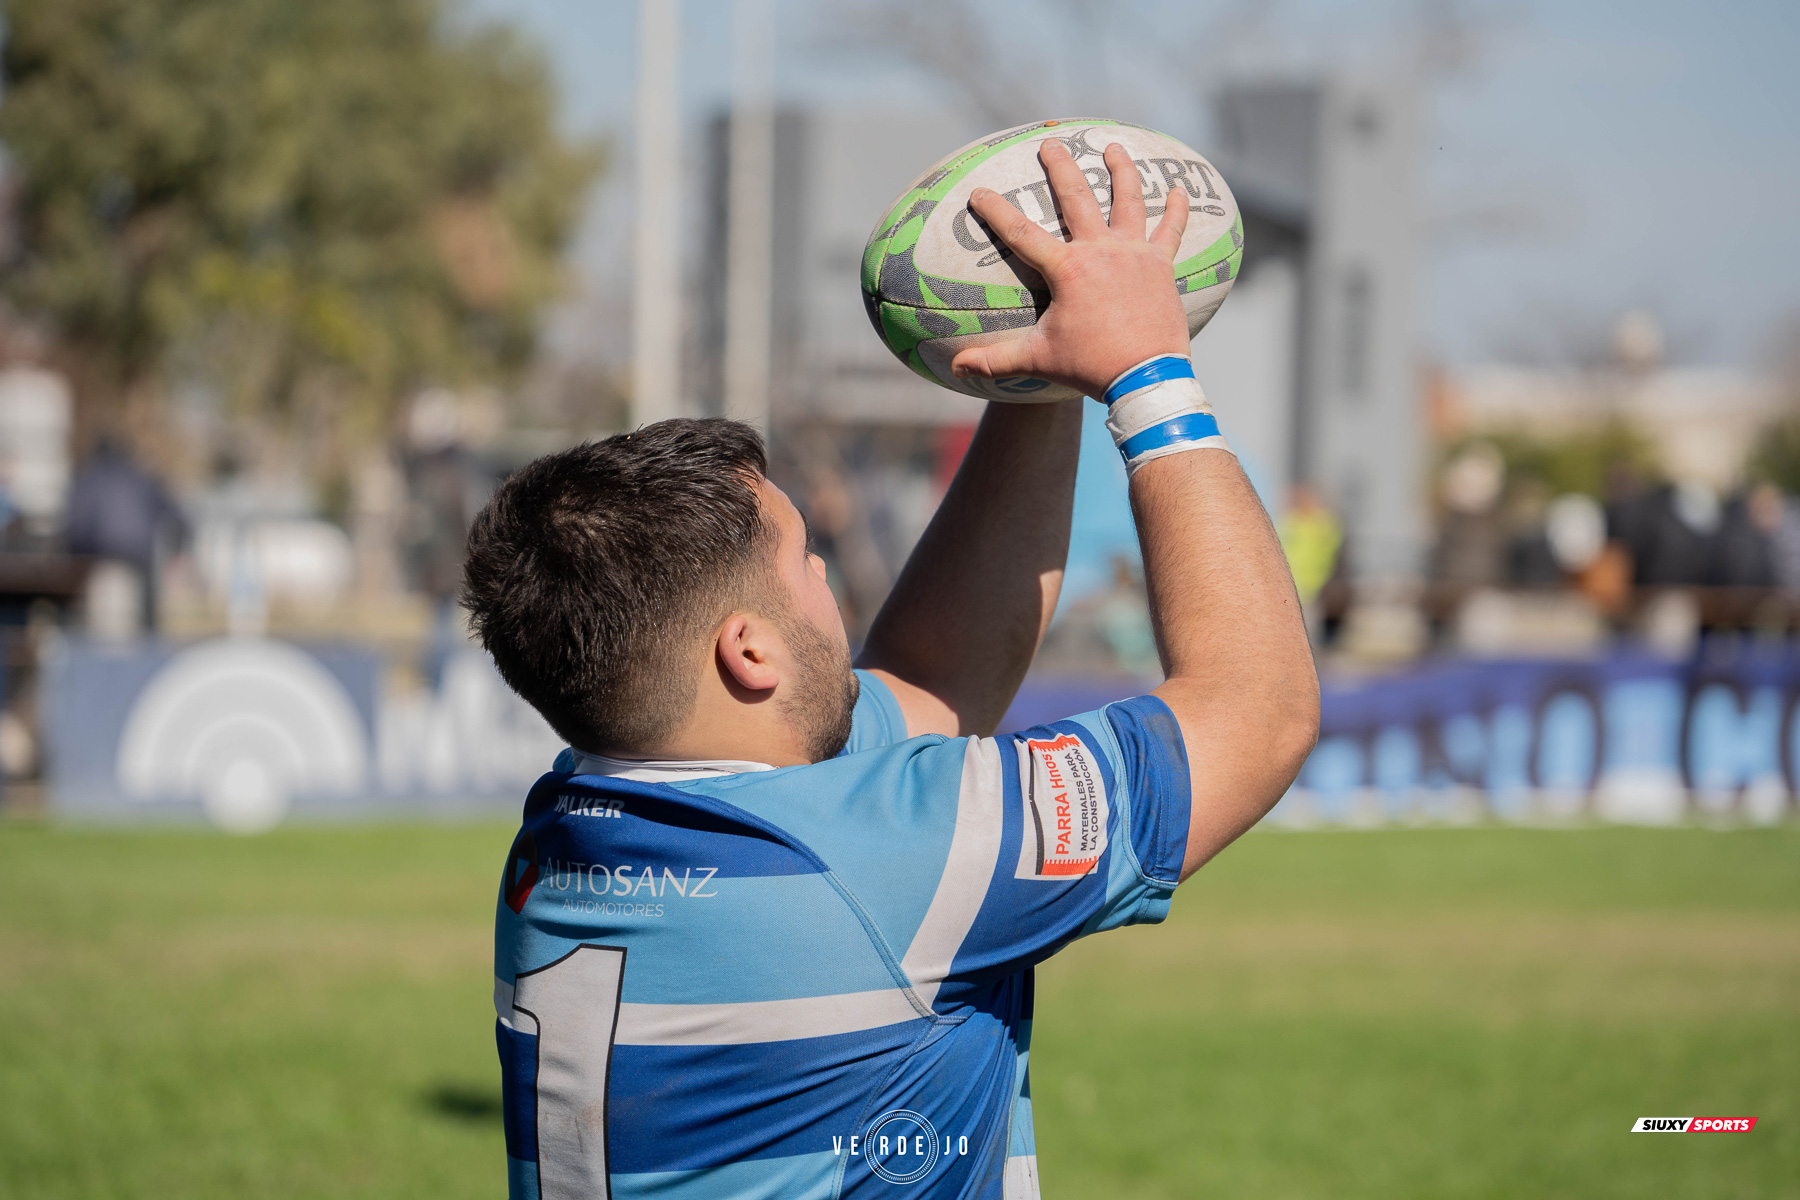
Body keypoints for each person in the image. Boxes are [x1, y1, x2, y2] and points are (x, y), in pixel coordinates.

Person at [461, 138, 1319, 1200]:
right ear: (749, 651)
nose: (829, 578)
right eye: (804, 562)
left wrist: (1039, 381)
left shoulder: (575, 823)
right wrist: (1149, 376)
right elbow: (1259, 710)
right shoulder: (885, 860)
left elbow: (924, 685)